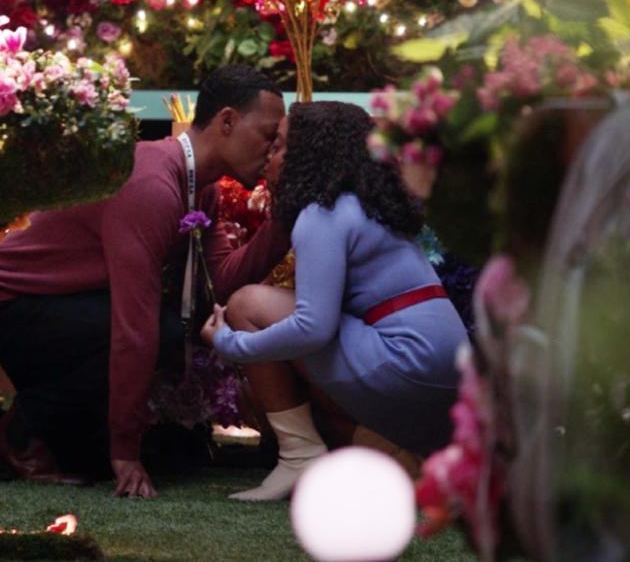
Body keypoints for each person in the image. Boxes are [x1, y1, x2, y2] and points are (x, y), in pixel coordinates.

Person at [0, 64, 291, 497]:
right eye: (269, 135)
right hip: (6, 301)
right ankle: (19, 435)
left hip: (69, 305)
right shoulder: (152, 183)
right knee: (157, 331)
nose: (274, 149)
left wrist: (284, 219)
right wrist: (125, 453)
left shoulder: (205, 188)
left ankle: (45, 431)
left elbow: (220, 281)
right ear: (228, 121)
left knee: (173, 449)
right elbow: (135, 331)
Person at [201, 101, 469, 500]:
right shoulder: (368, 204)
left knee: (246, 305)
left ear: (309, 154)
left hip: (406, 362)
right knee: (309, 402)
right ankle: (411, 465)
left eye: (280, 145)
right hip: (449, 370)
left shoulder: (322, 214)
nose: (270, 155)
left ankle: (298, 457)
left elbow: (313, 326)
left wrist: (231, 344)